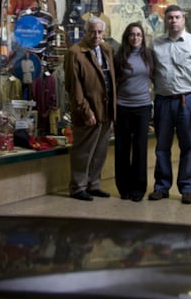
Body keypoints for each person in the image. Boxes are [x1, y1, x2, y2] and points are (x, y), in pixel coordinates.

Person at [149, 4, 191, 205]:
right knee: (162, 147)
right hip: (163, 101)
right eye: (170, 18)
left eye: (177, 17)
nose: (173, 21)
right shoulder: (156, 44)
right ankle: (161, 187)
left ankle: (187, 188)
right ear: (165, 20)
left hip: (187, 101)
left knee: (188, 146)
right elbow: (150, 73)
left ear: (183, 20)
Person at [64, 15, 116, 201]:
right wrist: (86, 111)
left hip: (106, 110)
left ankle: (93, 184)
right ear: (86, 32)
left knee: (100, 151)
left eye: (99, 32)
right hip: (88, 112)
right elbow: (73, 86)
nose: (96, 35)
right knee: (83, 151)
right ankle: (78, 187)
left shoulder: (107, 50)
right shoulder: (75, 53)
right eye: (92, 31)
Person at [113, 22, 154, 202]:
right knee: (122, 148)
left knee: (140, 149)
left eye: (138, 34)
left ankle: (139, 188)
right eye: (131, 34)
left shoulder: (149, 56)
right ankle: (124, 188)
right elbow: (113, 83)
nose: (135, 37)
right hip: (122, 107)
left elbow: (155, 77)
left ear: (142, 37)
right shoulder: (119, 56)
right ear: (126, 37)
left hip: (143, 107)